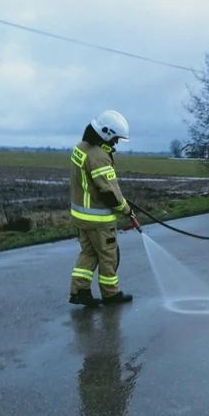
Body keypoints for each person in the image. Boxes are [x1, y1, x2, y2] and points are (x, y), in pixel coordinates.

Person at [69, 110, 136, 307]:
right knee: (108, 255)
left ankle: (79, 291)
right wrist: (126, 209)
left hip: (81, 216)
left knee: (88, 254)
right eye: (115, 138)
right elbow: (108, 192)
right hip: (99, 219)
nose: (116, 143)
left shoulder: (80, 148)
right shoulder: (99, 156)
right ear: (106, 133)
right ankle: (111, 294)